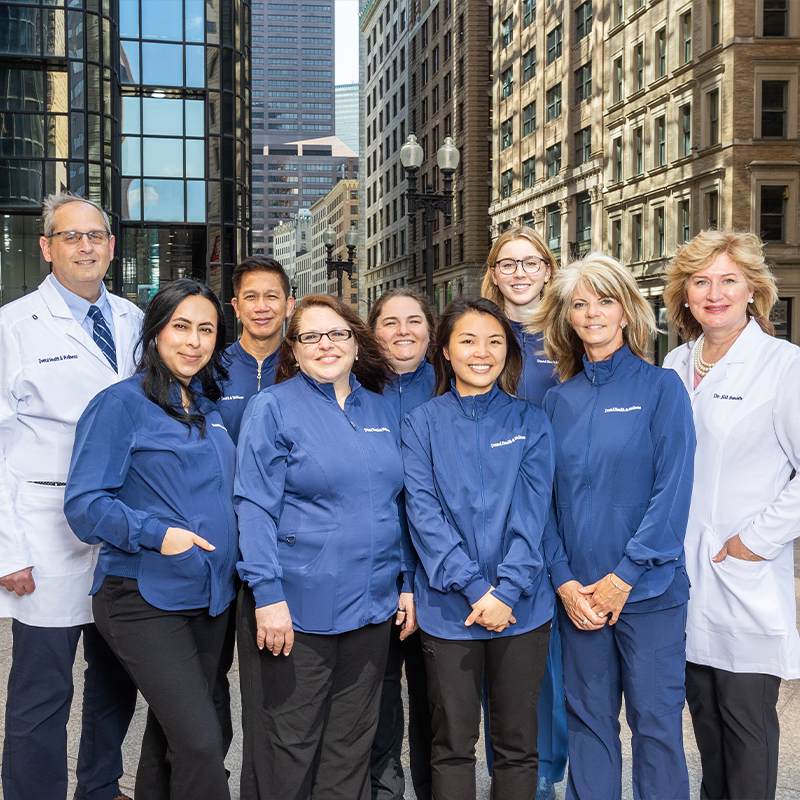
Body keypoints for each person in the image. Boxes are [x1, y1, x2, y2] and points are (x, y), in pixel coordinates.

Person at [531, 253, 695, 800]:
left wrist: (623, 578)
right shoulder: (557, 400)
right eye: (580, 303)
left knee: (656, 727)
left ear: (627, 311)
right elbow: (543, 506)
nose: (592, 312)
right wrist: (563, 581)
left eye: (605, 300)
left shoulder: (662, 389)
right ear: (568, 319)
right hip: (578, 597)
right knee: (589, 725)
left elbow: (671, 494)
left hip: (648, 594)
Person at [64, 279, 237, 800]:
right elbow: (84, 504)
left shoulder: (209, 408)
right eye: (180, 326)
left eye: (205, 329)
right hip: (142, 597)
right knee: (203, 743)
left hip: (210, 600)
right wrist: (157, 534)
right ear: (155, 332)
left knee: (178, 738)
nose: (193, 341)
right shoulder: (119, 403)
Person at [235, 295, 411, 800]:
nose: (326, 345)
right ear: (294, 349)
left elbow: (398, 504)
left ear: (357, 343)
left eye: (337, 333)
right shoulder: (272, 407)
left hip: (372, 609)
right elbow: (254, 506)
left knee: (350, 745)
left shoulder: (379, 408)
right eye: (310, 336)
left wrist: (406, 582)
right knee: (289, 745)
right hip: (296, 610)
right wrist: (267, 596)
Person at [0, 192, 140, 800]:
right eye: (70, 236)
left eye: (96, 236)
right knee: (42, 691)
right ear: (46, 248)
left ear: (111, 246)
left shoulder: (135, 321)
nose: (85, 246)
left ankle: (100, 790)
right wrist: (8, 548)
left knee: (115, 685)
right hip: (45, 532)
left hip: (120, 530)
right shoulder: (13, 325)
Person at [663, 230, 800, 800]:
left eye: (728, 280)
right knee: (708, 732)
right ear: (685, 295)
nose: (713, 293)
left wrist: (754, 541)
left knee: (747, 731)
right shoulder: (674, 363)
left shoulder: (782, 363)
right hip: (682, 580)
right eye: (700, 281)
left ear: (753, 291)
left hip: (742, 575)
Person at [402, 297, 555, 800]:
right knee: (452, 745)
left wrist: (507, 591)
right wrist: (472, 587)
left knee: (517, 745)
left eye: (494, 341)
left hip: (522, 609)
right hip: (449, 610)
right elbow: (425, 518)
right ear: (445, 350)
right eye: (468, 340)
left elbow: (533, 517)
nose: (482, 352)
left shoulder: (531, 422)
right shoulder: (420, 424)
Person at [481, 226, 566, 800]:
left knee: (550, 655)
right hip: (490, 504)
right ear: (494, 271)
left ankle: (546, 773)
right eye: (508, 263)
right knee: (501, 647)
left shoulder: (569, 335)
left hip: (558, 504)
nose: (519, 273)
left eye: (530, 262)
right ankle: (507, 773)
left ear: (547, 269)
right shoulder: (478, 331)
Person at [214, 255, 294, 760]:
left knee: (281, 687)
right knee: (206, 675)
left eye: (272, 296)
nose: (262, 307)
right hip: (219, 541)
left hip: (290, 546)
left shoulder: (309, 360)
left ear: (289, 303)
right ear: (235, 306)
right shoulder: (211, 366)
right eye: (251, 297)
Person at [367, 288, 436, 800]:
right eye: (389, 322)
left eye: (413, 320)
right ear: (372, 333)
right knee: (378, 700)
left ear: (432, 332)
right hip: (376, 569)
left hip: (439, 572)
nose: (402, 331)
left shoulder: (453, 385)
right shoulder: (357, 389)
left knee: (438, 705)